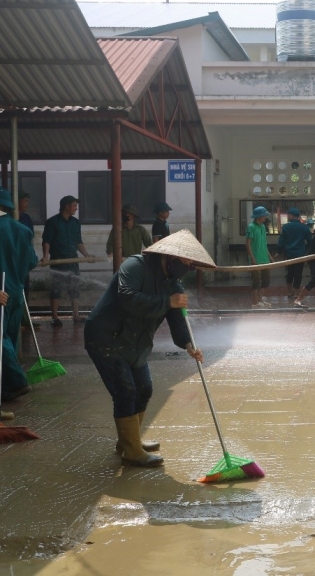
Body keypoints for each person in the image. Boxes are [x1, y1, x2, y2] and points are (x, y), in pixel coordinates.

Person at [85, 230, 213, 467]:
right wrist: (166, 302)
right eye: (186, 262)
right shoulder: (135, 266)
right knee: (125, 391)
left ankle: (129, 441)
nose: (188, 268)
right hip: (106, 338)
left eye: (191, 265)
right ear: (171, 257)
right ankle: (132, 451)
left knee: (144, 389)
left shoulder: (174, 285)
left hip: (136, 342)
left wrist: (189, 345)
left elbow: (178, 321)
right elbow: (127, 297)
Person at [0, 187, 37, 403]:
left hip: (1, 292)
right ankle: (7, 386)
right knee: (11, 337)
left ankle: (17, 381)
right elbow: (32, 261)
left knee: (0, 337)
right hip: (16, 290)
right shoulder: (23, 230)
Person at [41, 195, 91, 326]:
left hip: (73, 261)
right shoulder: (52, 222)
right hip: (58, 260)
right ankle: (55, 317)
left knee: (74, 288)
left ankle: (76, 315)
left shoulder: (76, 223)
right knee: (55, 289)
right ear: (66, 206)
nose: (76, 208)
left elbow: (78, 242)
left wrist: (86, 255)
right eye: (74, 205)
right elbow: (47, 240)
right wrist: (45, 256)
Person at [277, 207, 311, 298]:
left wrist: (278, 251)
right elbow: (310, 241)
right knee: (298, 274)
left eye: (288, 215)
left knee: (289, 273)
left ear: (291, 215)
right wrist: (308, 251)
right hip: (300, 255)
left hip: (289, 254)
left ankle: (289, 291)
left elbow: (281, 241)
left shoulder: (286, 227)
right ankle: (296, 293)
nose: (288, 216)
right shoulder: (304, 227)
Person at [246, 206, 274, 308]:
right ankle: (255, 302)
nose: (265, 217)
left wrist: (269, 256)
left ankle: (260, 300)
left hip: (264, 258)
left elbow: (264, 244)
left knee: (266, 281)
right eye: (264, 215)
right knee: (256, 281)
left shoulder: (262, 227)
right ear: (259, 216)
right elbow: (248, 243)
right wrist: (252, 258)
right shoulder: (251, 227)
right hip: (256, 258)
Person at [18, 191, 33, 295]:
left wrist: (31, 256)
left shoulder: (26, 218)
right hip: (11, 262)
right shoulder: (7, 219)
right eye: (25, 201)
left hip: (24, 261)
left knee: (25, 290)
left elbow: (30, 240)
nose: (27, 204)